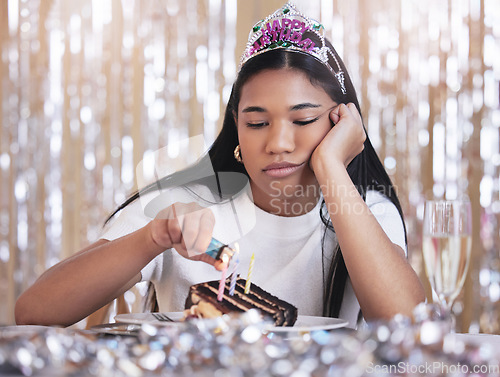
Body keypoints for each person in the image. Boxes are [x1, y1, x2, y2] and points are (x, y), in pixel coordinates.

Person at [15, 3, 425, 328]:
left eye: (303, 121)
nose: (278, 143)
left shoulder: (365, 211)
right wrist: (152, 238)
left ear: (341, 123)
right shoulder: (183, 205)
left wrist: (332, 168)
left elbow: (406, 323)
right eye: (258, 123)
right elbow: (34, 310)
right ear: (237, 130)